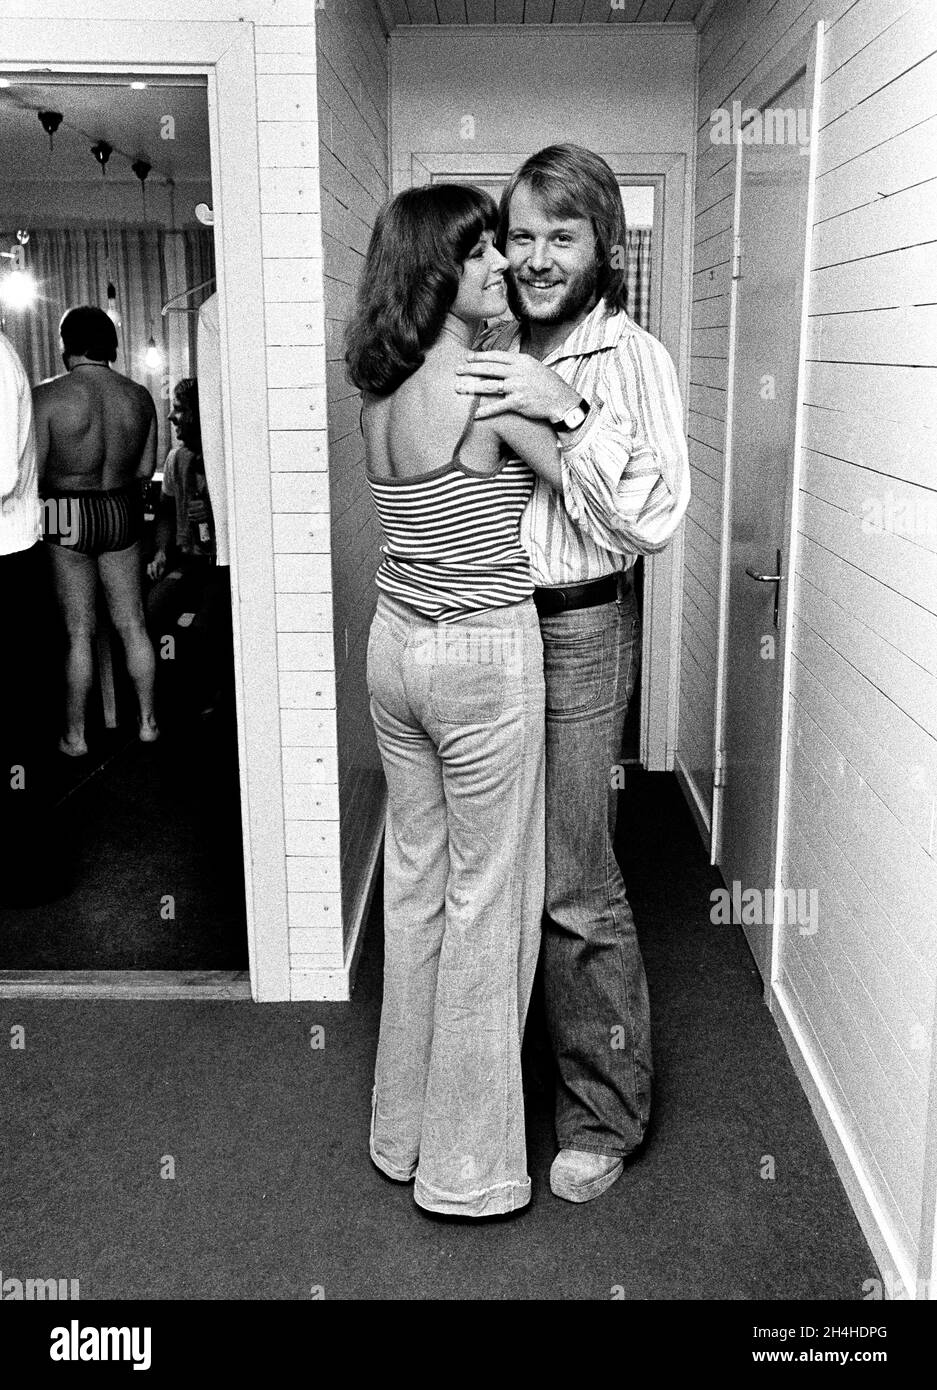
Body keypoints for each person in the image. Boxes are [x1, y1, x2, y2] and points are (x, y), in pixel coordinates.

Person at [455, 144, 691, 1203]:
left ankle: (604, 1110)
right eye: (523, 235)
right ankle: (488, 1096)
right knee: (493, 870)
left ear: (603, 245)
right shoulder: (488, 338)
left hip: (578, 630)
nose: (539, 257)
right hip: (485, 627)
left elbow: (644, 519)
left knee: (575, 881)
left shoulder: (627, 357)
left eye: (563, 235)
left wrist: (563, 404)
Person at [346, 183, 565, 1218]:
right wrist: (559, 399)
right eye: (480, 254)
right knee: (489, 904)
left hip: (395, 651)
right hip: (478, 658)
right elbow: (599, 493)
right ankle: (466, 1171)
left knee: (417, 887)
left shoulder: (377, 394)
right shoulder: (487, 386)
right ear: (436, 271)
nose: (503, 267)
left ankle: (400, 1135)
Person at [32, 306, 159, 755]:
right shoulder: (139, 397)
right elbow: (145, 468)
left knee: (78, 631)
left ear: (66, 344)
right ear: (111, 344)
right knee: (133, 624)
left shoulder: (46, 397)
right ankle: (147, 722)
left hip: (64, 511)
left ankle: (76, 736)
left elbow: (37, 473)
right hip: (120, 510)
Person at [0, 330, 59, 905]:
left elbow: (1, 477)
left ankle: (30, 874)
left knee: (15, 724)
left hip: (8, 564)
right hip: (110, 509)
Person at [147, 378, 230, 717]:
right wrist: (161, 551)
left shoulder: (223, 460)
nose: (171, 417)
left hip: (219, 568)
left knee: (202, 625)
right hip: (187, 561)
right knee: (154, 609)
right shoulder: (174, 460)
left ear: (198, 414)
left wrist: (210, 509)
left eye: (179, 410)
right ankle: (173, 693)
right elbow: (165, 514)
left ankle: (215, 696)